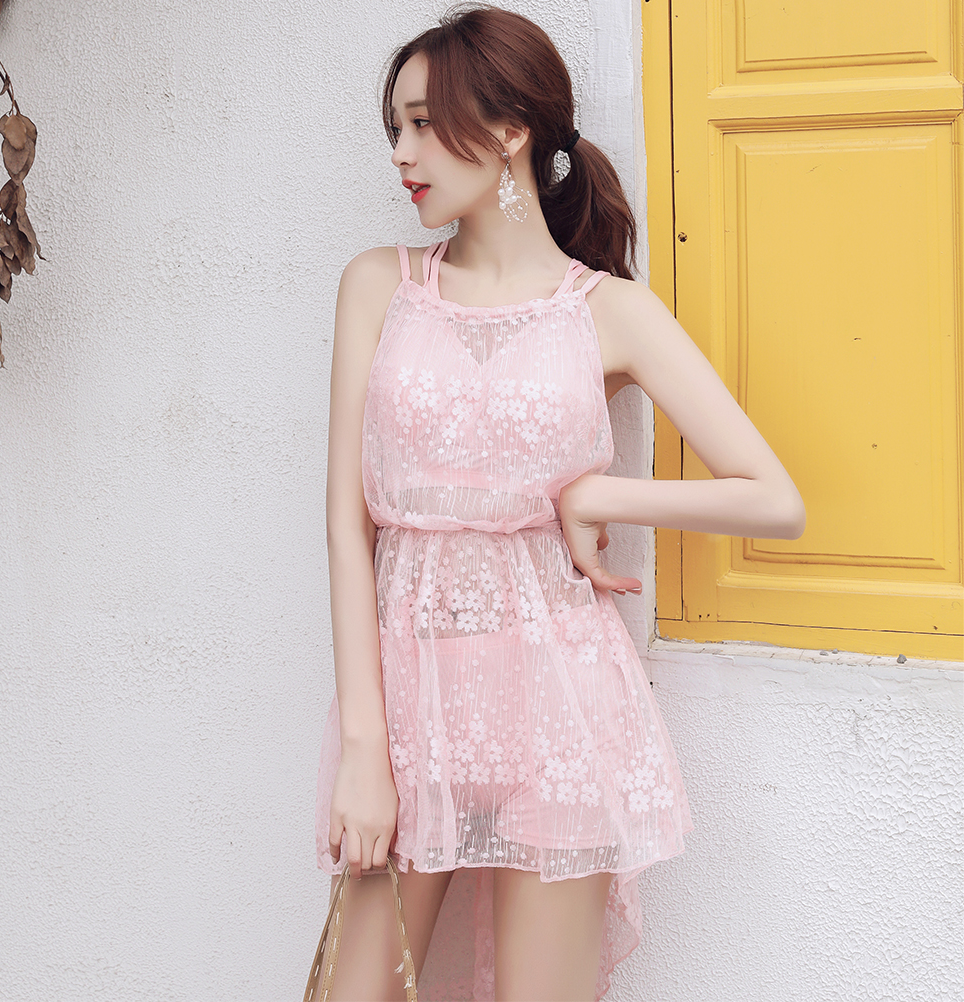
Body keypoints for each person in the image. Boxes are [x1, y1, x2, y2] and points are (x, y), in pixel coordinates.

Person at [311, 5, 805, 1000]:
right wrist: (365, 747)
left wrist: (600, 491)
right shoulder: (378, 287)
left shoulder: (609, 311)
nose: (400, 152)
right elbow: (346, 525)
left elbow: (775, 500)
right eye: (395, 127)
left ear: (508, 131)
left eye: (421, 124)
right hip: (407, 708)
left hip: (560, 709)